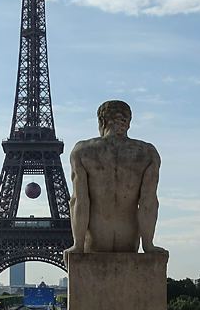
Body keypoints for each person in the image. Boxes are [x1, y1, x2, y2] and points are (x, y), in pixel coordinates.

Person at [64, 100, 165, 256]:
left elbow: (79, 201)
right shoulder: (148, 153)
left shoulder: (82, 151)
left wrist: (78, 246)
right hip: (128, 240)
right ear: (128, 122)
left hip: (96, 240)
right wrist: (148, 245)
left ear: (102, 121)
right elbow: (149, 203)